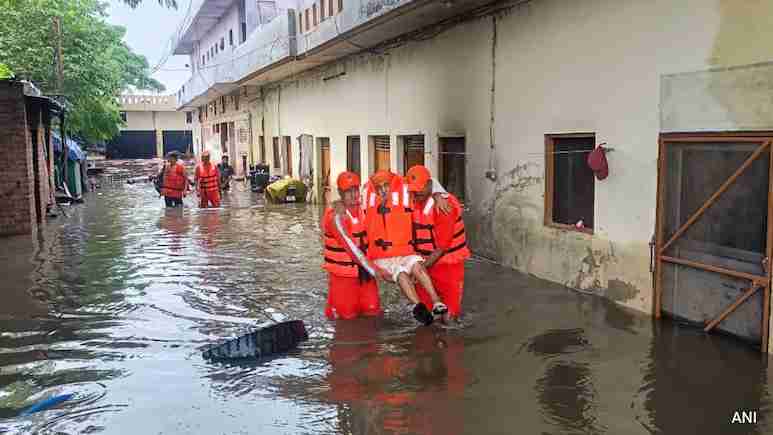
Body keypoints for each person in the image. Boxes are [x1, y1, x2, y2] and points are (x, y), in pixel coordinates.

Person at [361, 170, 448, 326]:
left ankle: (437, 302)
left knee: (417, 265)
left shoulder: (404, 189)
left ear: (391, 185)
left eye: (386, 186)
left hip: (404, 251)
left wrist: (438, 194)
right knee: (400, 274)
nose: (383, 190)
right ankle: (418, 307)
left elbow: (428, 182)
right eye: (379, 187)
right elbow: (348, 203)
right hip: (381, 257)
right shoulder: (365, 195)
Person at [406, 165, 470, 323]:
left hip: (448, 265)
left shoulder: (444, 207)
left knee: (449, 317)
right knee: (425, 316)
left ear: (429, 185)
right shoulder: (412, 198)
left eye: (420, 188)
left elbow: (442, 247)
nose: (416, 193)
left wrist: (419, 271)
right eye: (413, 190)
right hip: (423, 264)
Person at [322, 171, 387, 320]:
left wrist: (437, 194)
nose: (353, 195)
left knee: (373, 312)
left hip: (366, 275)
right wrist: (377, 271)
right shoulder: (335, 216)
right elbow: (351, 248)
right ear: (340, 193)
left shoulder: (365, 208)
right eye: (348, 191)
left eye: (355, 190)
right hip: (344, 277)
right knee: (346, 319)